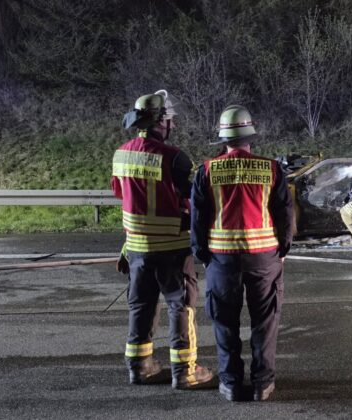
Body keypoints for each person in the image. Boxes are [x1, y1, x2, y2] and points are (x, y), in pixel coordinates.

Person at [112, 90, 216, 390]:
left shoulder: (121, 154)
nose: (172, 125)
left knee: (140, 306)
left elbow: (124, 197)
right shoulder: (175, 158)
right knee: (181, 306)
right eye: (170, 119)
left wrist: (126, 247)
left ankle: (139, 367)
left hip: (136, 249)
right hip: (171, 247)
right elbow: (193, 202)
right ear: (162, 122)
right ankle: (185, 371)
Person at [190, 105, 293, 402]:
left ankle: (232, 384)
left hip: (221, 259)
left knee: (225, 323)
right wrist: (282, 250)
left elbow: (198, 219)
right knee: (264, 323)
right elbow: (285, 214)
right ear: (250, 135)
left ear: (223, 139)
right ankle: (262, 384)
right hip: (265, 259)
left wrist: (203, 254)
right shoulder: (271, 168)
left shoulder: (207, 170)